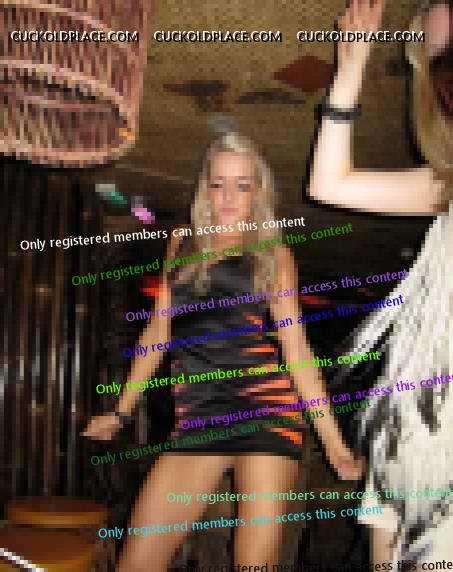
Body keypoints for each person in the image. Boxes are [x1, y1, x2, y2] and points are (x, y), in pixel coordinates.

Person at [83, 132, 363, 571]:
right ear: (205, 187)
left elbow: (296, 349)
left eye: (242, 185)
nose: (228, 197)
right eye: (218, 184)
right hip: (198, 416)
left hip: (266, 412)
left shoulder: (273, 253)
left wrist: (334, 445)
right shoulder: (182, 242)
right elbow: (158, 331)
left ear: (259, 191)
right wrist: (121, 412)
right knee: (136, 563)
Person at [309, 0, 453, 566]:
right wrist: (350, 69)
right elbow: (329, 184)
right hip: (415, 433)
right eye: (442, 61)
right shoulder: (447, 185)